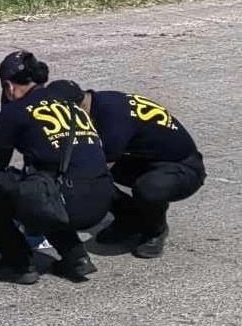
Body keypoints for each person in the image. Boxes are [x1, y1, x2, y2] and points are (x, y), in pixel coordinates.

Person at [0, 51, 116, 284]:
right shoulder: (66, 99)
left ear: (8, 86)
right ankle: (76, 257)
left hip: (68, 203)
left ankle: (18, 263)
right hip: (103, 197)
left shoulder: (14, 113)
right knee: (43, 183)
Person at [78, 87, 205, 258]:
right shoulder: (101, 101)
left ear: (79, 106)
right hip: (148, 159)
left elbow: (100, 166)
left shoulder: (112, 116)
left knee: (143, 188)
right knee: (88, 170)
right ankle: (129, 219)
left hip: (184, 168)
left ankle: (155, 230)